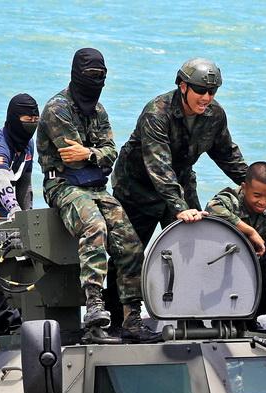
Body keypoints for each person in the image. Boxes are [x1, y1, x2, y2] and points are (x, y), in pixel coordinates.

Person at [37, 48, 157, 343]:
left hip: (96, 188)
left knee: (130, 243)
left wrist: (89, 154)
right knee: (94, 226)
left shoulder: (99, 110)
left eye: (101, 76)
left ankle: (131, 319)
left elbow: (110, 153)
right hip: (62, 185)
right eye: (91, 75)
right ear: (76, 74)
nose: (96, 81)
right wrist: (93, 156)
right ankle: (94, 310)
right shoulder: (57, 109)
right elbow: (73, 160)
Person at [111, 57, 249, 247]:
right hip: (137, 190)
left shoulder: (215, 114)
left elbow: (226, 154)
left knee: (194, 247)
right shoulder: (157, 113)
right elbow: (159, 166)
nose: (206, 98)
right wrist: (179, 207)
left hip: (181, 183)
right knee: (129, 255)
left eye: (212, 91)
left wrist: (253, 183)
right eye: (200, 90)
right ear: (183, 87)